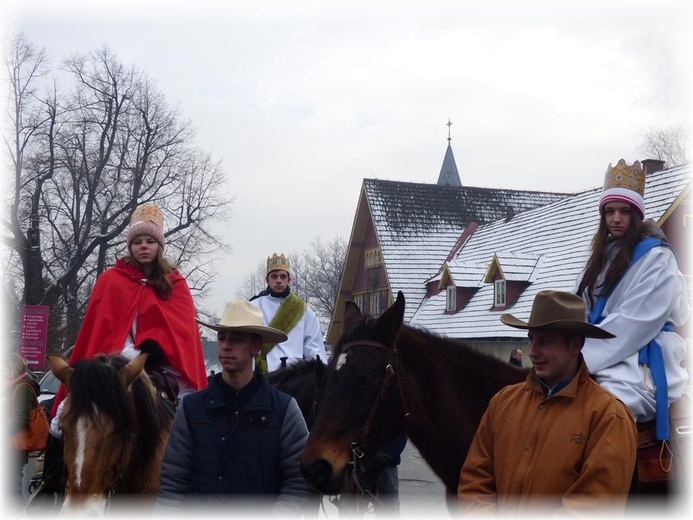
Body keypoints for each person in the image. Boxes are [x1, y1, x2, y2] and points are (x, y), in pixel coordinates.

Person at [44, 203, 208, 489]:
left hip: (161, 366)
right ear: (130, 246)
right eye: (138, 242)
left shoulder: (175, 284)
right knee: (71, 414)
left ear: (159, 245)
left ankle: (195, 483)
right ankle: (54, 481)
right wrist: (122, 352)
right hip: (110, 362)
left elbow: (183, 334)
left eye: (150, 241)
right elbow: (99, 329)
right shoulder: (110, 281)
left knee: (190, 419)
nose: (144, 247)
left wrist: (157, 348)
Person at [457, 290, 638, 515]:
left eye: (545, 341)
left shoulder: (608, 416)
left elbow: (594, 506)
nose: (532, 351)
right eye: (531, 339)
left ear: (575, 345)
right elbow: (474, 481)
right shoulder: (503, 403)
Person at [574, 159, 689, 495]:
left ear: (636, 214)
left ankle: (604, 492)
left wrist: (581, 357)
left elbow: (636, 322)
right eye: (610, 212)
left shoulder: (658, 258)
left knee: (605, 406)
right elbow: (577, 304)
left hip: (641, 360)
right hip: (597, 348)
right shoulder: (599, 255)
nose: (616, 219)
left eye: (624, 211)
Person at [155, 300, 311, 515]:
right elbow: (172, 483)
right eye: (222, 338)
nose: (225, 346)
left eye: (236, 339)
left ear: (256, 347)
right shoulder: (190, 409)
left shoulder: (284, 410)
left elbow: (298, 480)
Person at [249, 252, 327, 374]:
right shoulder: (253, 307)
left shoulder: (304, 310)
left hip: (295, 376)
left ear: (289, 279)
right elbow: (247, 344)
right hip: (262, 375)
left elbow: (314, 348)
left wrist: (322, 374)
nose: (279, 280)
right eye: (274, 276)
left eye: (283, 276)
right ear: (267, 280)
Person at [5, 353, 40, 508]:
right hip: (9, 446)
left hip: (14, 448)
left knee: (11, 491)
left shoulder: (22, 388)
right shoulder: (12, 387)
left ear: (12, 369)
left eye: (3, 369)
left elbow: (21, 419)